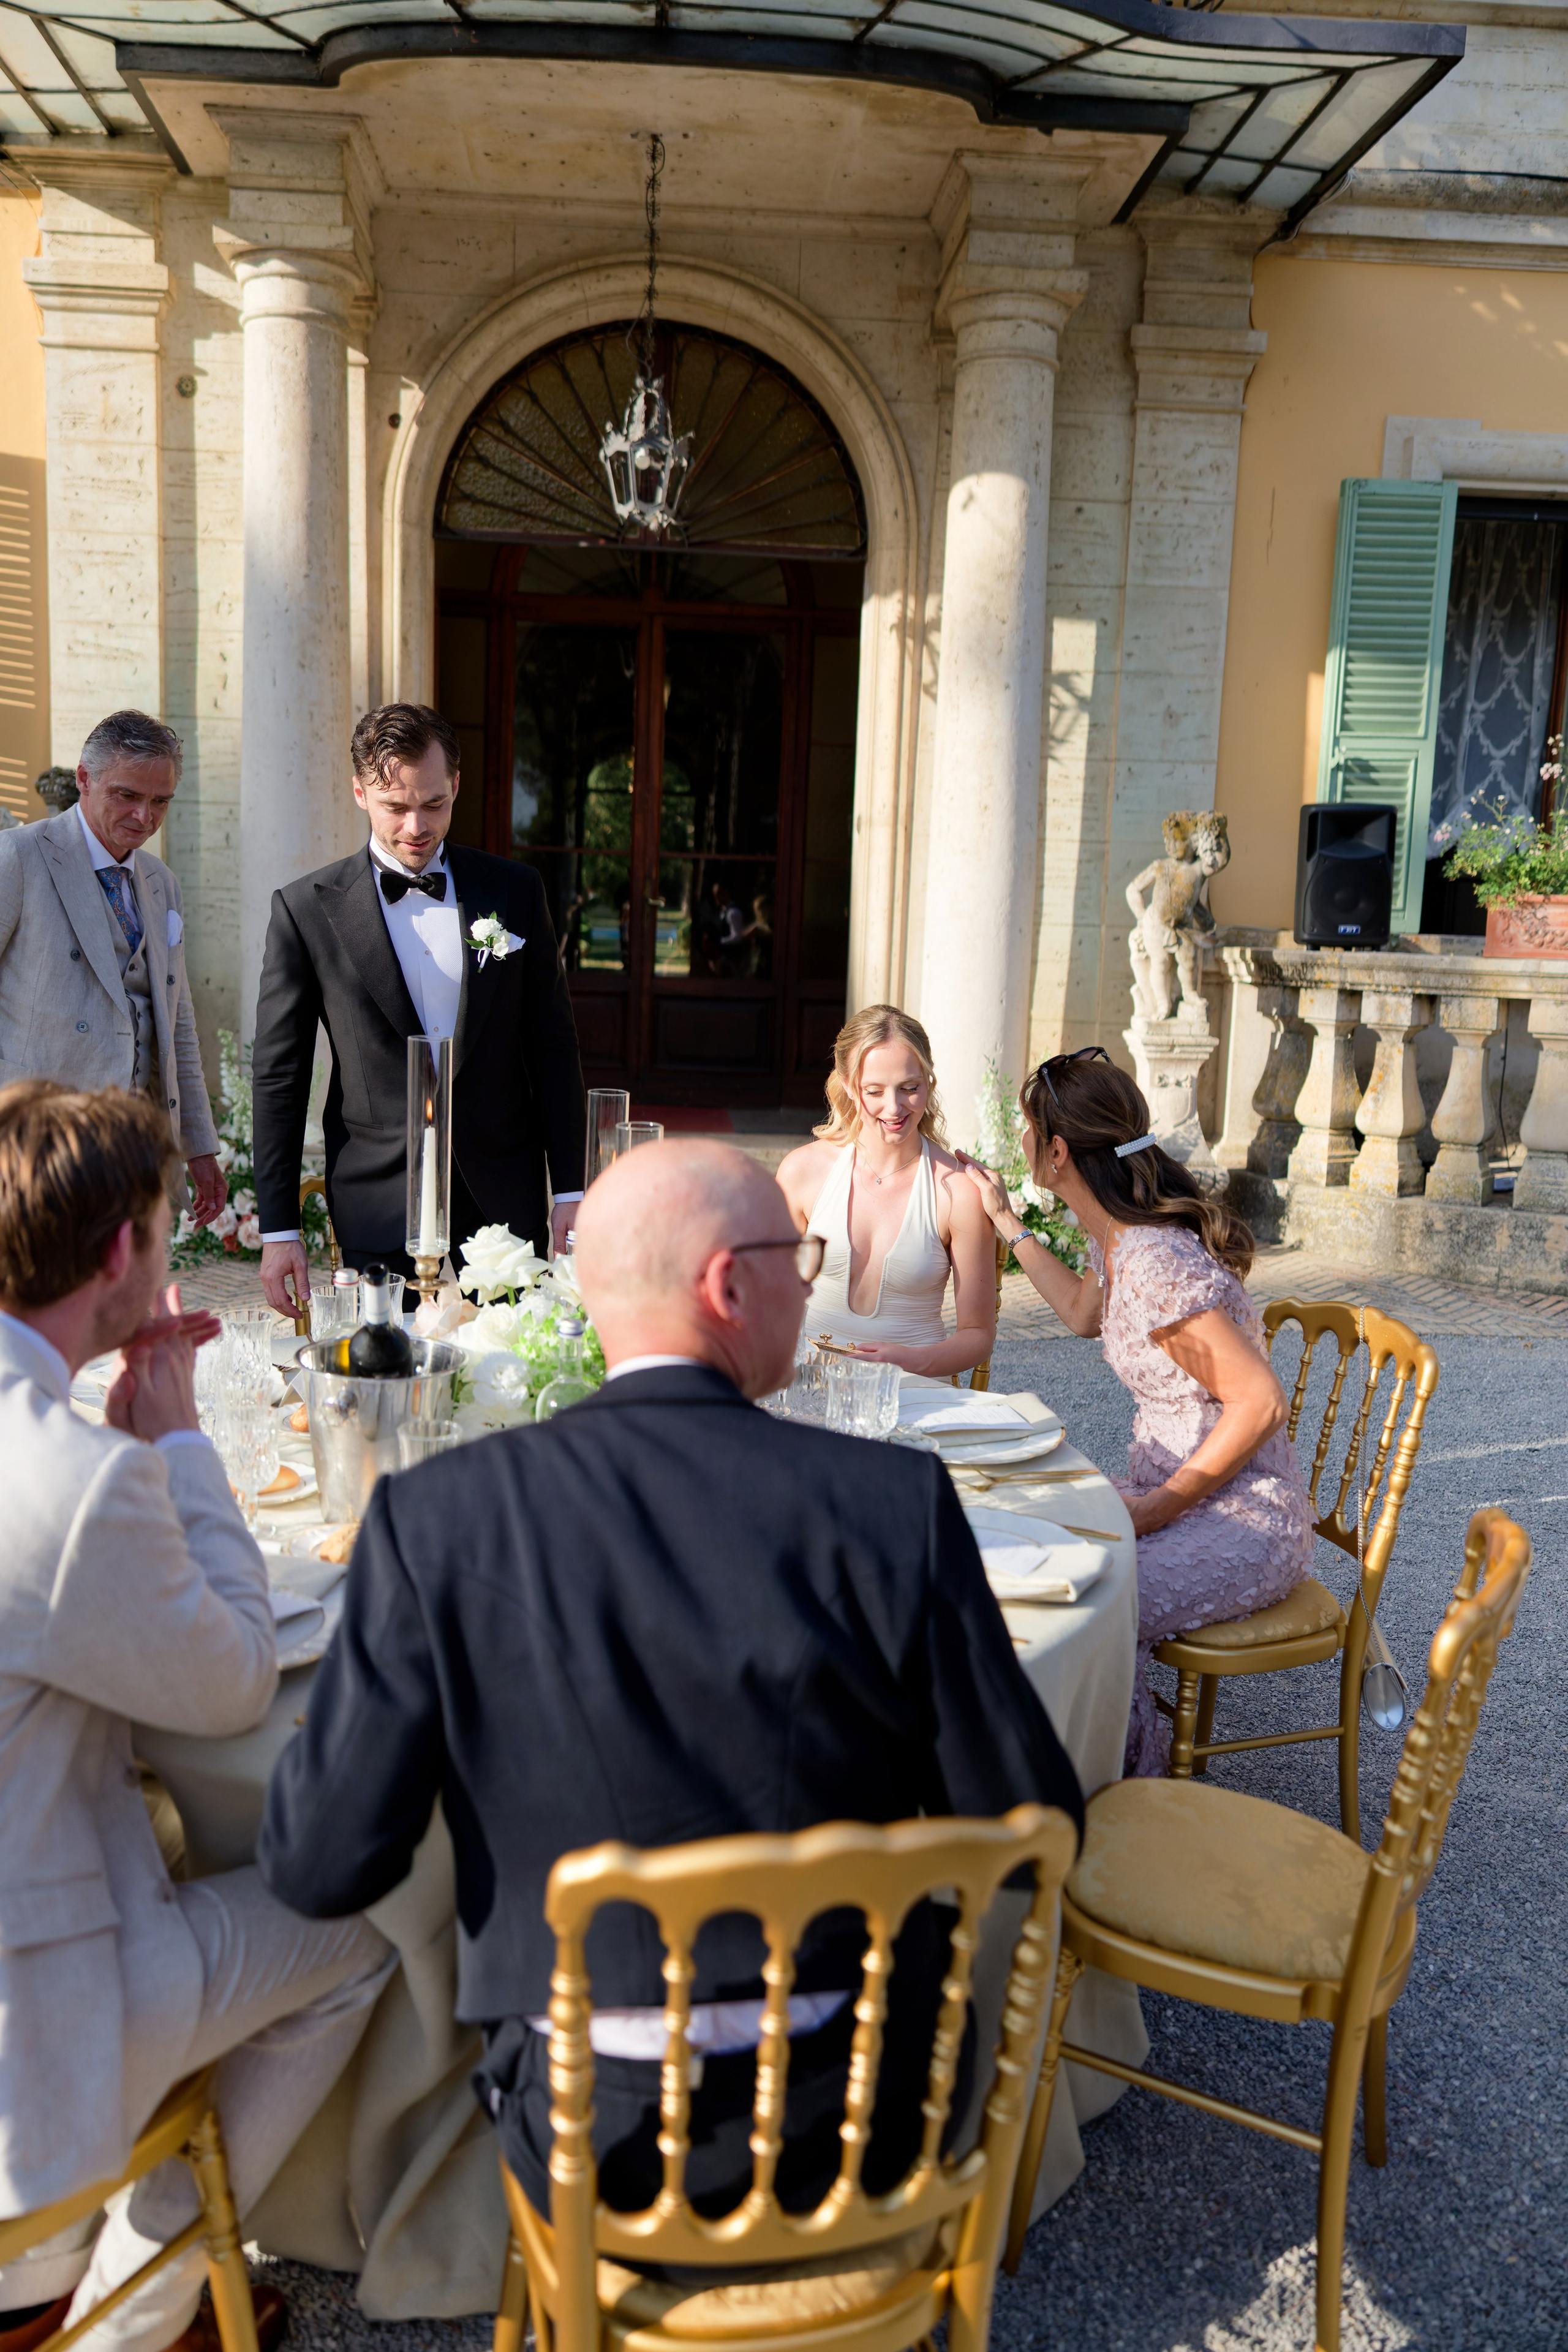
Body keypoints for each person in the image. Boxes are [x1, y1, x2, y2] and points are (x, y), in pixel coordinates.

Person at [257, 1137, 1081, 2223]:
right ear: (729, 1285)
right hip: (870, 2122)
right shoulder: (891, 1505)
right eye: (801, 1257)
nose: (813, 1280)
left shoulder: (440, 1518)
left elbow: (322, 1865)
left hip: (591, 2140)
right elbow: (1034, 1830)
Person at [0, 1080, 390, 2352]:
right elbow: (227, 1679)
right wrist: (172, 1445)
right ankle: (126, 2321)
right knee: (364, 1922)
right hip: (33, 2005)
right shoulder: (72, 1477)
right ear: (124, 1252)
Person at [960, 1047, 1314, 1776]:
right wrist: (1005, 1222)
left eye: (1029, 1132)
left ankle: (1129, 1798)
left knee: (1083, 1609)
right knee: (1023, 1545)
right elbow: (1083, 1313)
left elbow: (1260, 1403)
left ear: (1057, 1153)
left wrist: (1154, 1510)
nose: (1022, 1143)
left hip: (1241, 1516)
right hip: (1178, 1499)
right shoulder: (1113, 1236)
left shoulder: (1152, 1261)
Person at [252, 703, 586, 1316]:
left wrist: (570, 1187)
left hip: (501, 1188)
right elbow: (280, 1077)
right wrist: (279, 1231)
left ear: (455, 785)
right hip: (376, 1196)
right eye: (394, 807)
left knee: (517, 1374)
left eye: (433, 804)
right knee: (388, 1384)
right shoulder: (305, 911)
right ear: (359, 793)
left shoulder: (515, 890)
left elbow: (553, 1049)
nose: (415, 825)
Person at [0, 712, 225, 1234]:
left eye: (161, 801)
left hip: (136, 1151)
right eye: (128, 796)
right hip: (41, 1150)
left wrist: (199, 1146)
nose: (145, 816)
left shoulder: (161, 882)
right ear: (84, 779)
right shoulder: (19, 856)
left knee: (126, 1302)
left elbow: (179, 1024)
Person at [776, 1006, 997, 1378]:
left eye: (910, 1088)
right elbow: (768, 1297)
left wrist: (909, 1362)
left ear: (929, 1082)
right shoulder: (802, 1173)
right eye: (874, 1091)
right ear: (848, 1085)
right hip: (809, 1392)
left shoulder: (959, 1190)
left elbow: (978, 1335)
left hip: (917, 1395)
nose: (894, 1108)